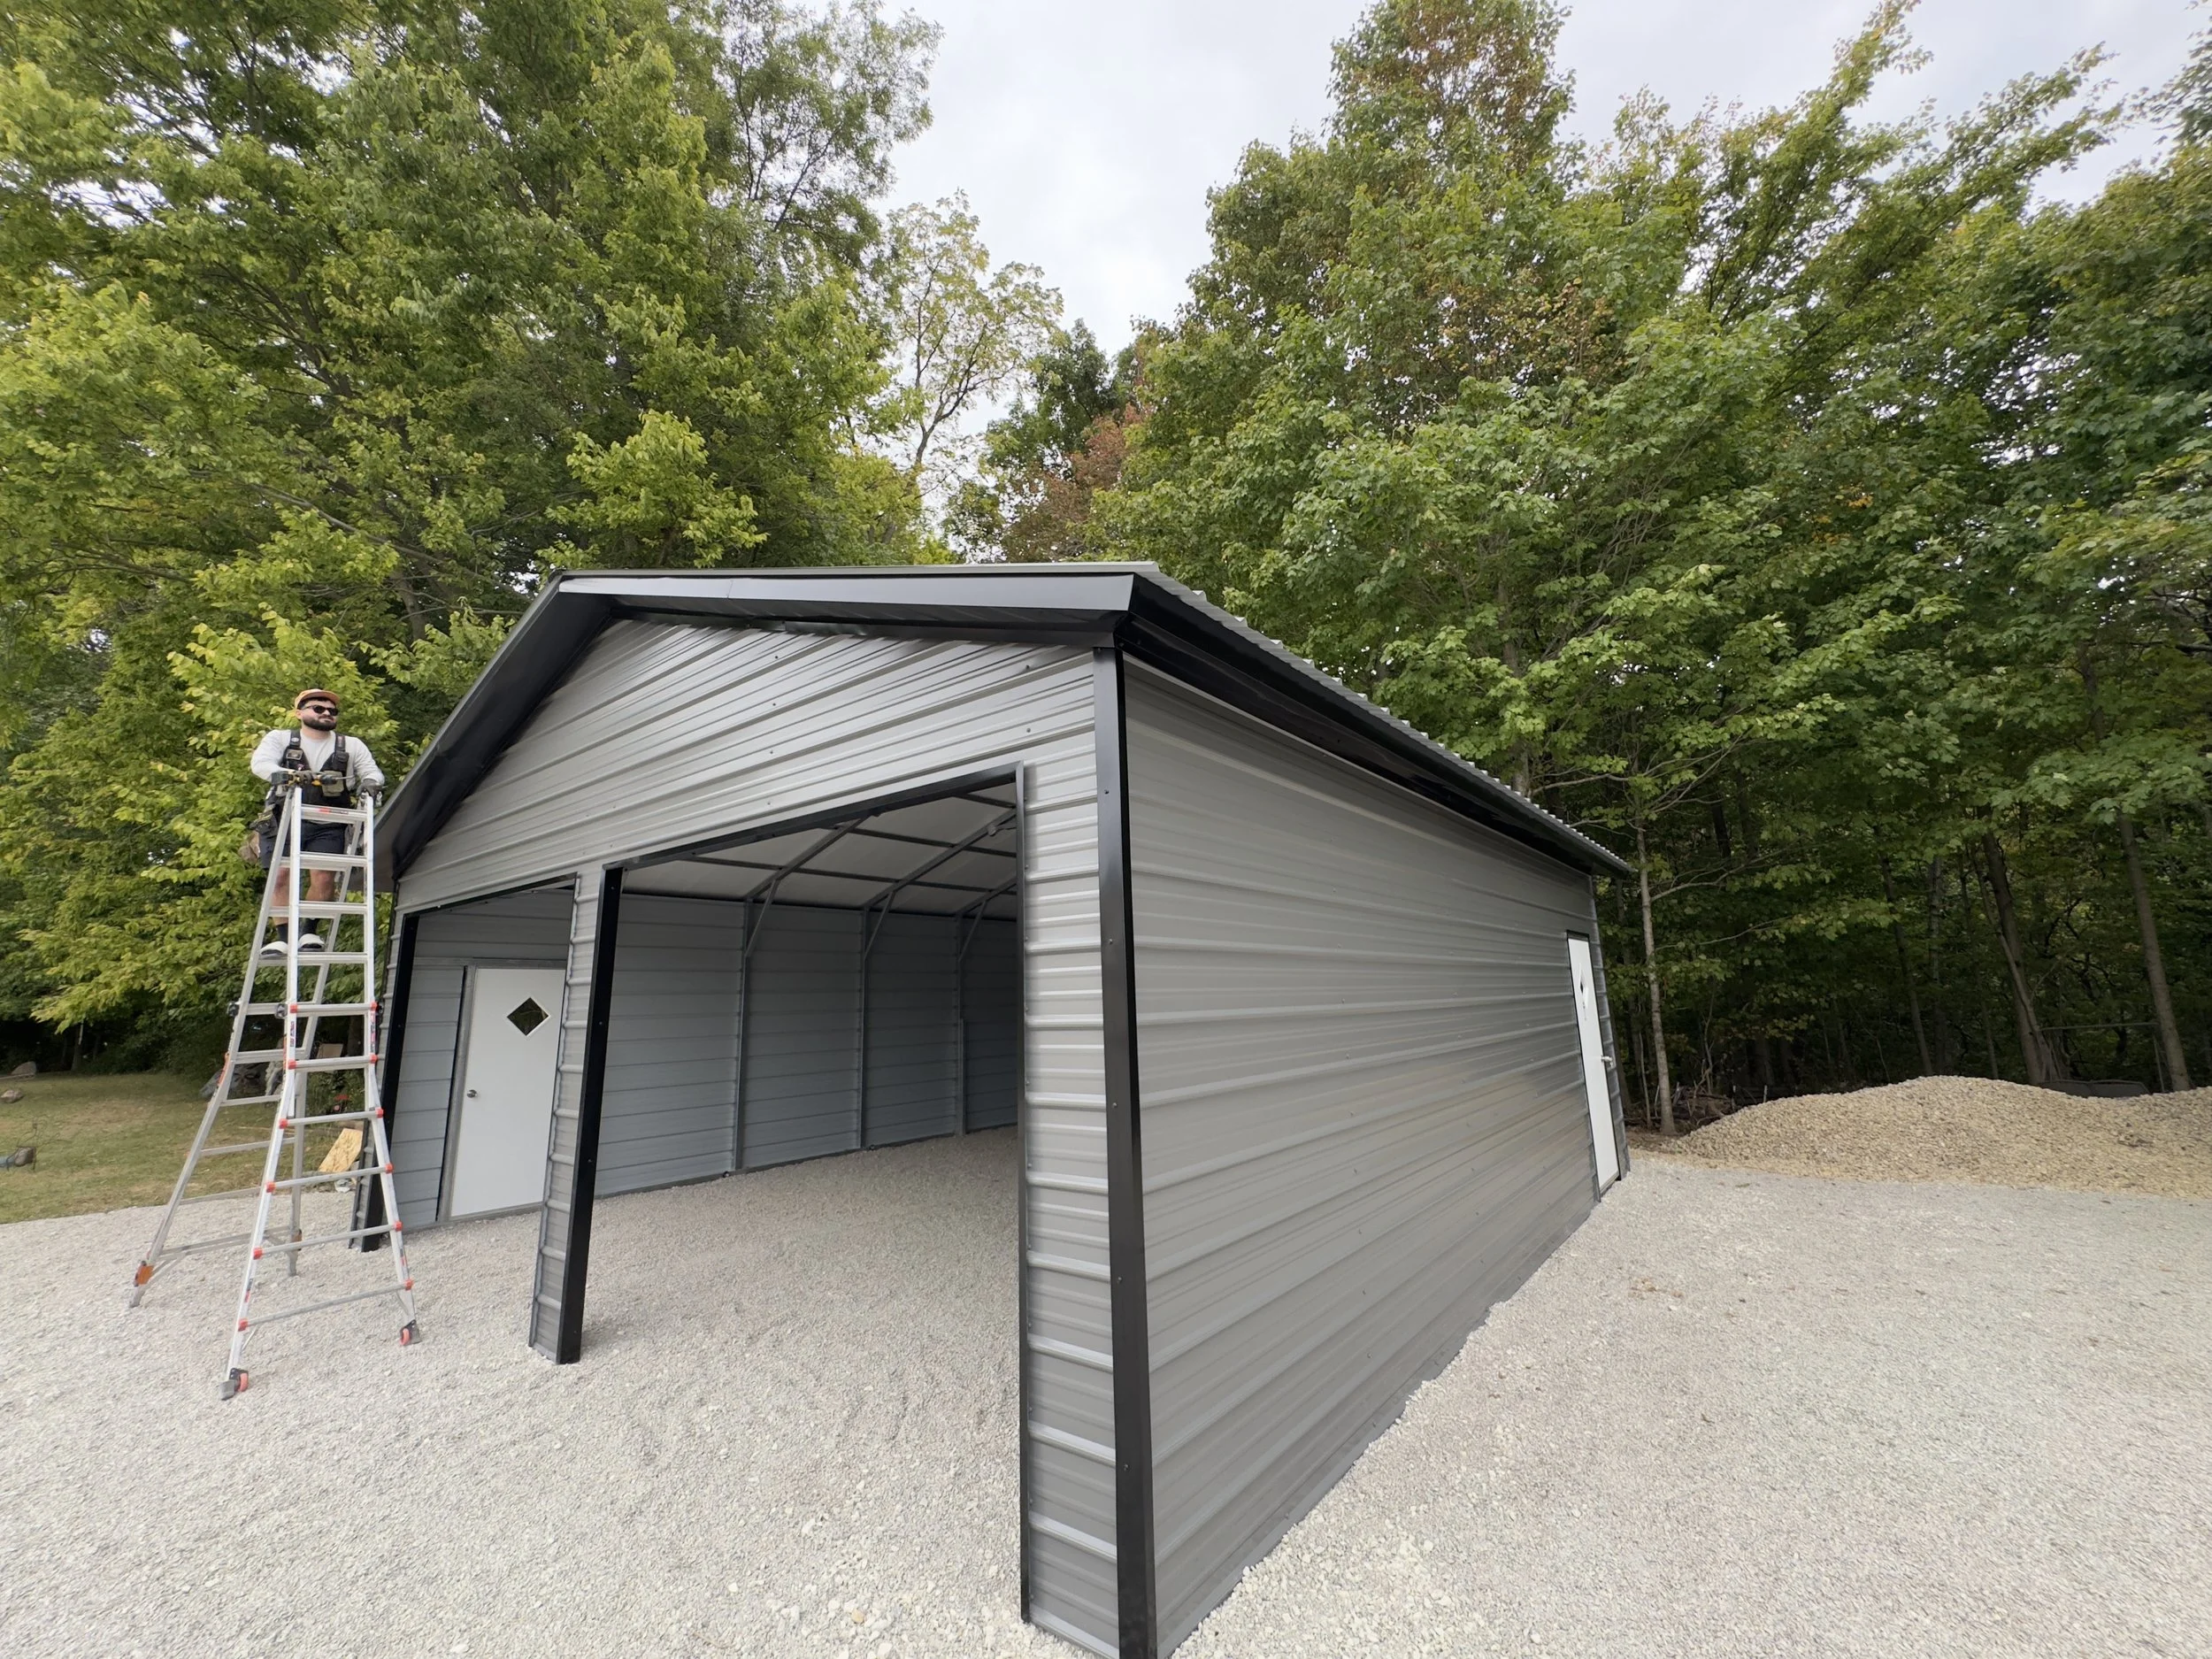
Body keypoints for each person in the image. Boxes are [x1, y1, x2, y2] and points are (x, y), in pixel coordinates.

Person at [250, 689, 384, 958]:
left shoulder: (351, 745)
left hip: (329, 820)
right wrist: (290, 775)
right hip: (283, 818)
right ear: (299, 713)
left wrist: (371, 784)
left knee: (324, 876)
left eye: (332, 711)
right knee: (279, 876)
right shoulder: (281, 739)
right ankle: (284, 938)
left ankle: (308, 931)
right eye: (318, 708)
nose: (326, 713)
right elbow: (260, 764)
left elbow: (371, 771)